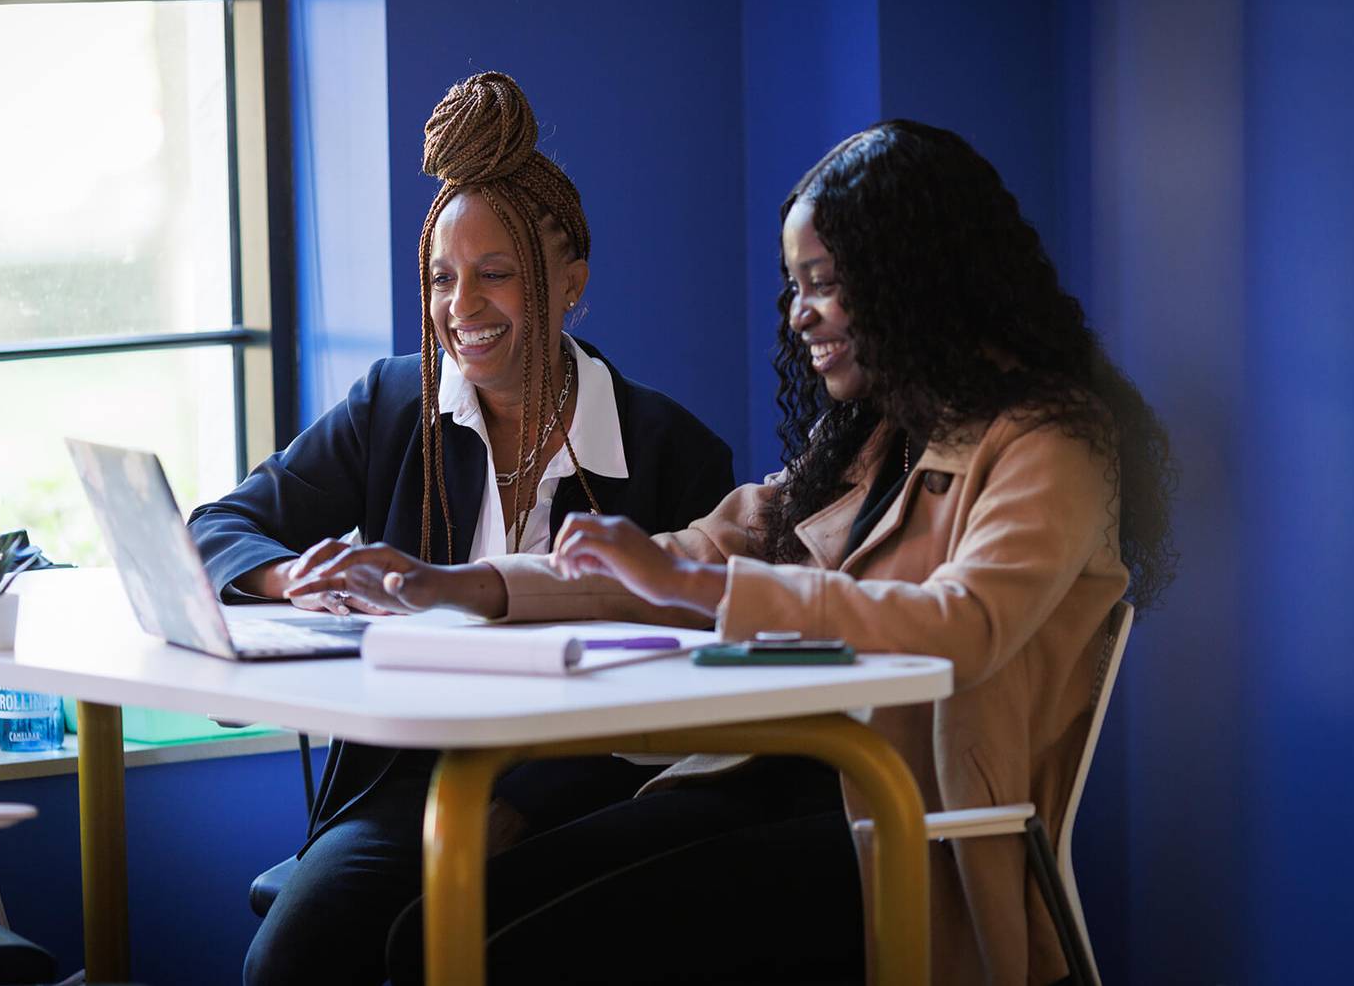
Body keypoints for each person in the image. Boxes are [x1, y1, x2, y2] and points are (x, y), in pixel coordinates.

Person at [296, 120, 1178, 986]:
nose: (801, 315)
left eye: (824, 283)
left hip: (907, 824)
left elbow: (964, 623)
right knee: (428, 931)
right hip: (777, 783)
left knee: (498, 952)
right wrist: (454, 584)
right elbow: (690, 550)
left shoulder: (1050, 445)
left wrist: (692, 584)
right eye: (795, 286)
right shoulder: (873, 440)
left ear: (916, 276)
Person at [186, 71, 735, 986]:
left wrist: (520, 799)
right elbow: (221, 524)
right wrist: (293, 577)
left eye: (495, 275)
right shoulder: (395, 405)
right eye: (442, 276)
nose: (460, 307)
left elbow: (690, 688)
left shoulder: (670, 453)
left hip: (594, 789)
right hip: (413, 780)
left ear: (572, 285)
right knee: (294, 955)